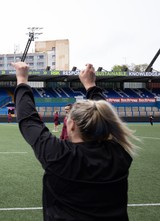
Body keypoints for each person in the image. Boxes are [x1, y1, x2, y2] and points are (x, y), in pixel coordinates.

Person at [13, 62, 139, 221]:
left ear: (71, 125)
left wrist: (22, 80)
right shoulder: (118, 154)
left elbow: (28, 120)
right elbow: (105, 117)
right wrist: (91, 86)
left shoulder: (60, 155)